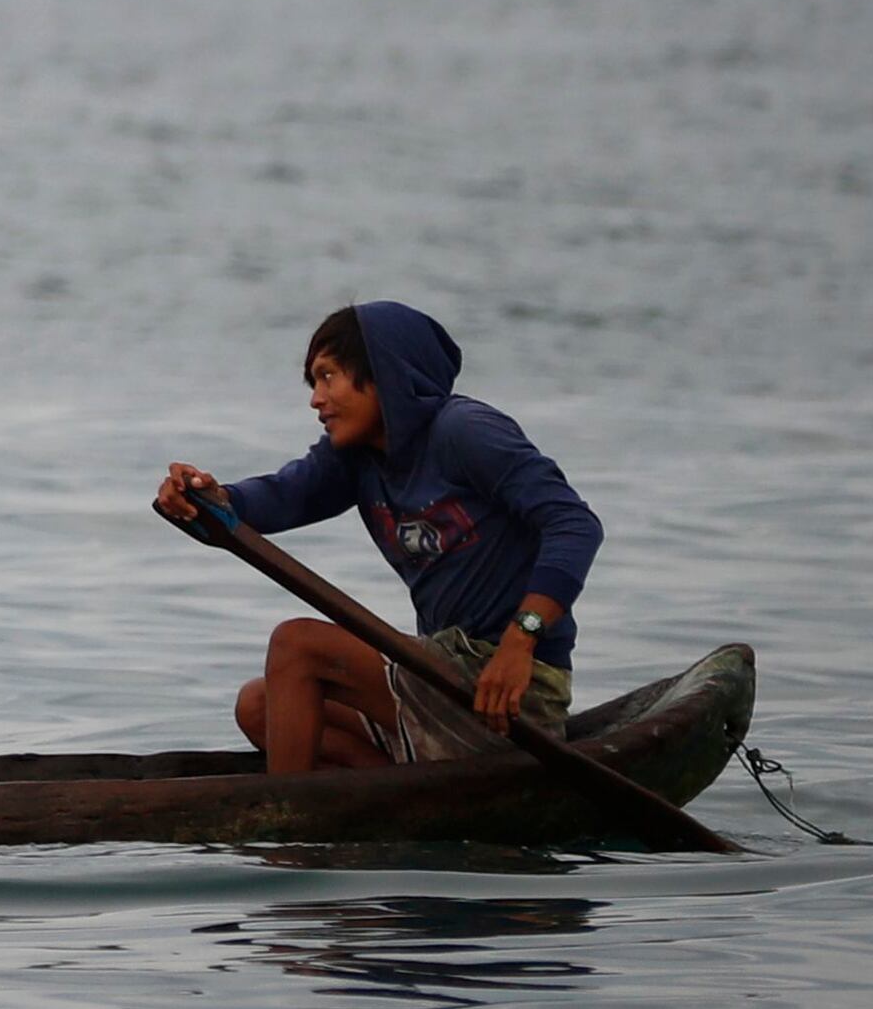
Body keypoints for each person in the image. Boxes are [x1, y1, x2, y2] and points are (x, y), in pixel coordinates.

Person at [152, 300, 600, 774]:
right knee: (259, 706)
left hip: (510, 691)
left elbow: (574, 524)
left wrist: (519, 643)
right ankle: (406, 799)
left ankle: (287, 835)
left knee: (296, 646)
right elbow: (280, 497)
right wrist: (206, 498)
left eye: (328, 377)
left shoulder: (464, 431)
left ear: (384, 372)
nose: (315, 400)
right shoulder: (356, 456)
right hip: (444, 680)